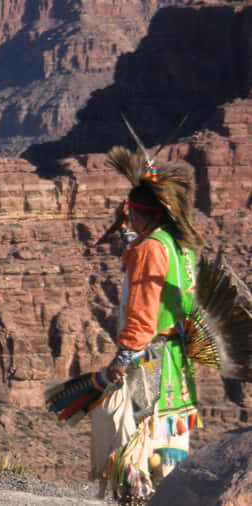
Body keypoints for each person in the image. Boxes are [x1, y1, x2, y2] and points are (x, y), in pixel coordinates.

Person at [90, 137, 208, 504]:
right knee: (168, 450)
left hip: (148, 362)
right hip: (177, 363)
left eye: (131, 214)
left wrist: (121, 360)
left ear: (141, 213)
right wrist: (132, 239)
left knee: (131, 447)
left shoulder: (149, 249)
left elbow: (142, 314)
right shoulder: (178, 244)